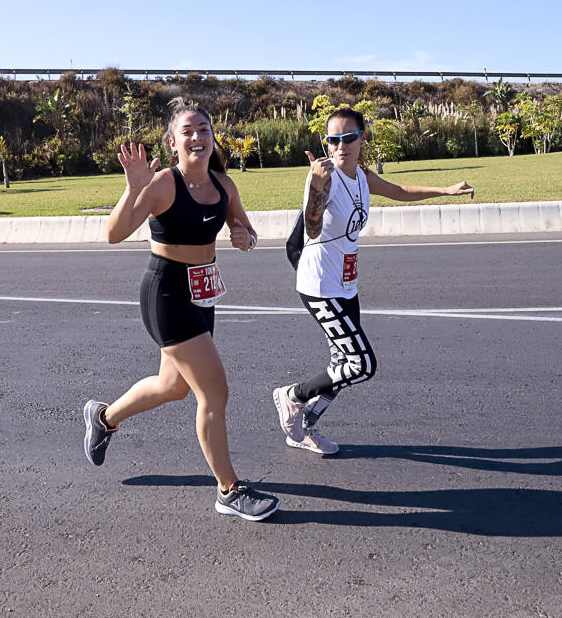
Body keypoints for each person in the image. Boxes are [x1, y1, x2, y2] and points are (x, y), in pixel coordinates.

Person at [83, 101, 280, 521]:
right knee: (214, 391)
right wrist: (132, 188)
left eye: (204, 129)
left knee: (173, 387)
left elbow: (245, 230)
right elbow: (114, 234)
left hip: (202, 292)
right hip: (166, 292)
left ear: (212, 138)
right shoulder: (162, 184)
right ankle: (229, 490)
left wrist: (245, 237)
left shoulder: (224, 185)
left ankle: (104, 418)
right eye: (187, 131)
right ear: (173, 143)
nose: (197, 137)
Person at [272, 107, 475, 455]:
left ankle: (303, 428)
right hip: (320, 285)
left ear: (362, 138)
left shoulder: (362, 176)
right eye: (332, 140)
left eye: (348, 137)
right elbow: (312, 228)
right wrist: (317, 186)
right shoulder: (323, 178)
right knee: (361, 364)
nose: (340, 146)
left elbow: (399, 190)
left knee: (343, 365)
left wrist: (445, 190)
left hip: (345, 284)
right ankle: (291, 396)